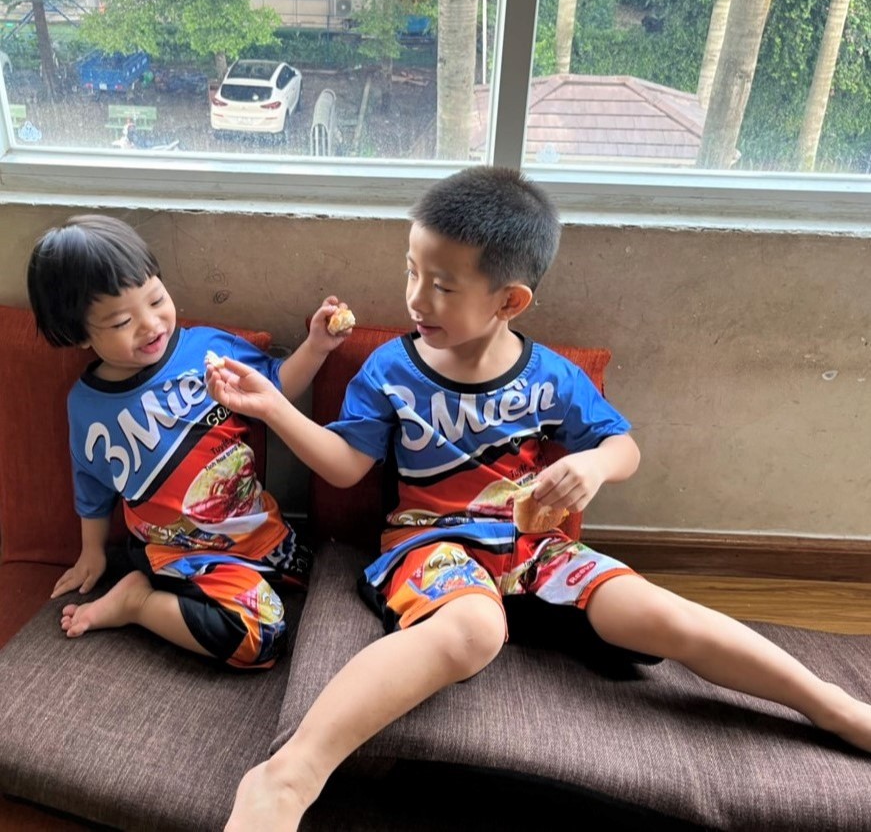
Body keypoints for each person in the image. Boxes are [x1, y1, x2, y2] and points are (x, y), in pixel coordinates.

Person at [206, 166, 871, 828]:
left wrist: (593, 465)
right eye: (411, 271)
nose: (416, 299)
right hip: (430, 545)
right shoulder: (390, 369)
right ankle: (288, 774)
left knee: (660, 613)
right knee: (475, 630)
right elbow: (345, 467)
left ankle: (831, 704)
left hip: (538, 549)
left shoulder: (552, 377)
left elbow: (623, 446)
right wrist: (273, 408)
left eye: (442, 285)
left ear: (509, 302)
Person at [27, 214, 351, 670]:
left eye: (156, 299)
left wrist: (316, 347)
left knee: (332, 577)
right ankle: (138, 603)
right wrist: (92, 551)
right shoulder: (87, 407)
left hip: (257, 529)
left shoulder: (207, 349)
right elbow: (92, 486)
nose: (150, 324)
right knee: (260, 637)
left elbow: (275, 387)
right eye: (122, 321)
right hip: (178, 554)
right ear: (80, 334)